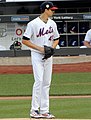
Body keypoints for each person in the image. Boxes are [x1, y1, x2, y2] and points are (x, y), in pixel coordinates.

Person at [22, 1, 59, 119]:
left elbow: (57, 38)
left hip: (48, 56)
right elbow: (25, 40)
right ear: (45, 10)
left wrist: (51, 49)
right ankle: (34, 110)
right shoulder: (33, 24)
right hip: (37, 55)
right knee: (39, 81)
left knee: (46, 83)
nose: (53, 11)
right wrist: (41, 49)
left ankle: (44, 110)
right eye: (51, 9)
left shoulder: (52, 24)